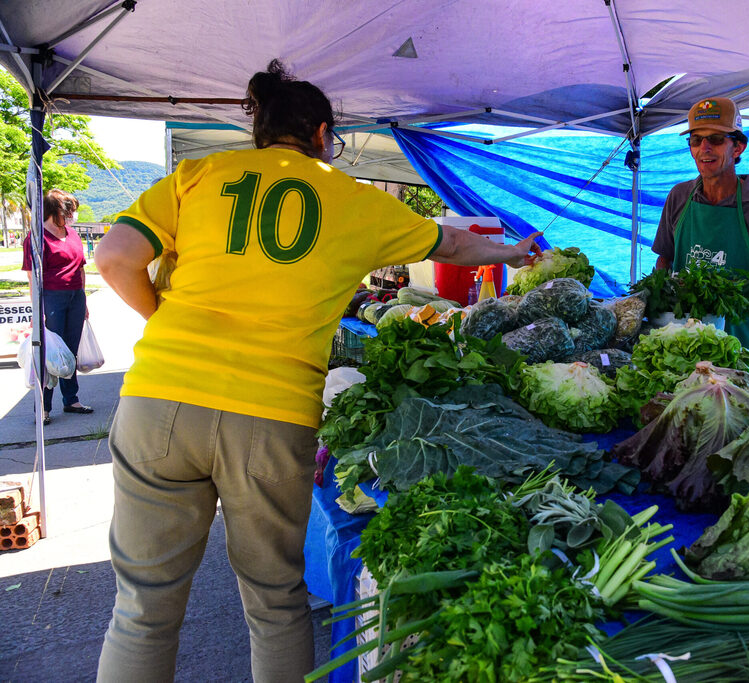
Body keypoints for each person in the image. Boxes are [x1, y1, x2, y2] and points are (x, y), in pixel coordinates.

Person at [93, 59, 540, 683]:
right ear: (324, 133)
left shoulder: (198, 175)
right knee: (275, 605)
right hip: (270, 415)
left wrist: (161, 315)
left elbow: (113, 257)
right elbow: (456, 245)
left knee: (142, 609)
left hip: (158, 404)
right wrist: (515, 251)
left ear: (260, 128)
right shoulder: (352, 199)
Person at [652, 96, 749, 363]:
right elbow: (664, 259)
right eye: (696, 140)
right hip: (681, 339)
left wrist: (728, 293)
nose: (705, 148)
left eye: (716, 139)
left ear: (738, 147)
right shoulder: (679, 195)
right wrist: (661, 295)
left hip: (736, 341)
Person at [21, 188, 94, 426]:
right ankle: (43, 407)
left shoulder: (71, 234)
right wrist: (37, 307)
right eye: (69, 211)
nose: (73, 215)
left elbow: (80, 267)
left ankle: (71, 400)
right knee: (50, 354)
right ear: (55, 211)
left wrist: (83, 300)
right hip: (51, 297)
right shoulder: (36, 237)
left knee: (70, 351)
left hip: (75, 297)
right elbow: (33, 275)